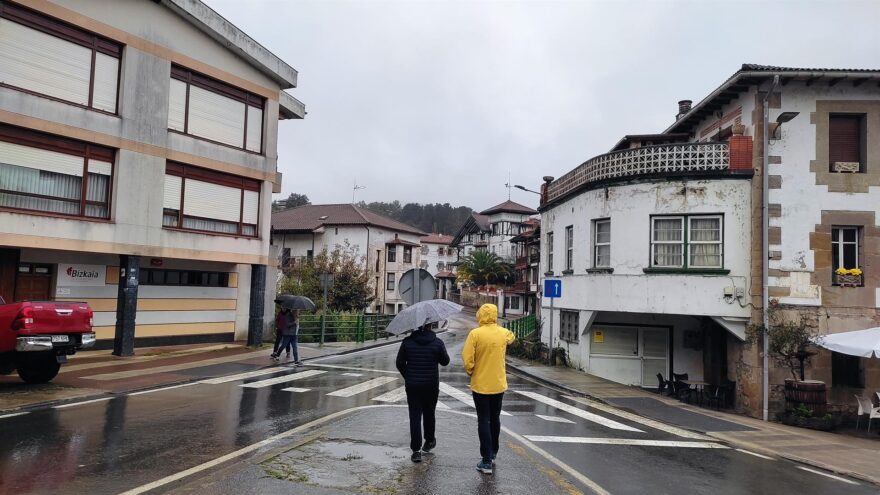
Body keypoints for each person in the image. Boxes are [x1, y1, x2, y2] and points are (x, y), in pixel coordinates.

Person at [461, 303, 515, 475]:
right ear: (495, 315)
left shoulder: (475, 334)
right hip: (498, 384)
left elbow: (467, 357)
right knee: (495, 417)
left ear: (480, 315)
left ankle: (485, 462)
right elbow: (512, 337)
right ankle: (493, 452)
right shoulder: (503, 333)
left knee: (483, 420)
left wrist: (471, 371)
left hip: (481, 384)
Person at [395, 322, 450, 464]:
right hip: (431, 385)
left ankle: (416, 451)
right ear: (430, 326)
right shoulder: (437, 343)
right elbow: (445, 361)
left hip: (413, 386)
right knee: (429, 413)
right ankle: (430, 440)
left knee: (414, 416)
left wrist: (408, 375)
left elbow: (399, 362)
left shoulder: (407, 342)